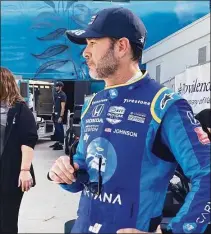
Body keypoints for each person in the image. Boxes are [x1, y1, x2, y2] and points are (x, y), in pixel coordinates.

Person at [48, 8, 210, 234]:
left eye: (93, 43)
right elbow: (84, 170)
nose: (85, 53)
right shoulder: (92, 104)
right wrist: (65, 172)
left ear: (122, 46)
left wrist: (177, 231)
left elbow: (206, 172)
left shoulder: (164, 105)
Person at [0, 67, 38, 233]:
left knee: (6, 219)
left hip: (9, 172)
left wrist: (24, 170)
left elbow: (28, 141)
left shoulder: (20, 109)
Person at [50, 81, 67, 150]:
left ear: (60, 87)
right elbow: (54, 105)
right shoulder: (56, 94)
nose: (55, 87)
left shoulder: (63, 95)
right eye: (55, 86)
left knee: (60, 129)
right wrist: (52, 113)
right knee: (56, 129)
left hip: (59, 114)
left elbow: (63, 107)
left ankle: (61, 144)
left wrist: (61, 116)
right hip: (55, 113)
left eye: (57, 86)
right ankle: (57, 142)